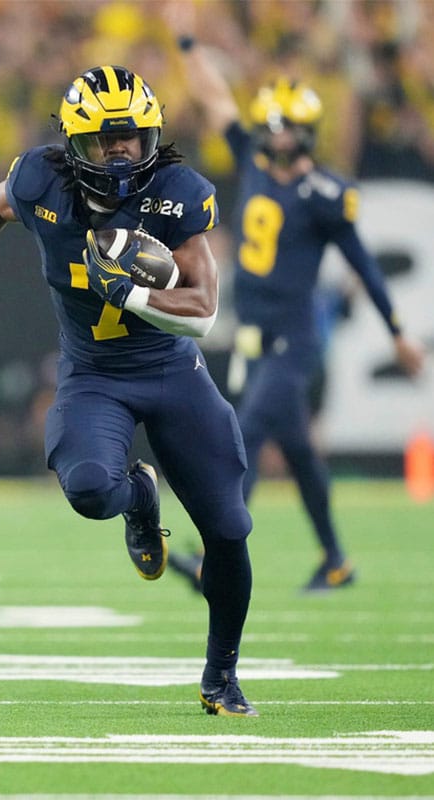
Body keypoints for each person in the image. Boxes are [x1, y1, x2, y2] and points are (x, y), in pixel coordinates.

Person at [0, 65, 258, 716]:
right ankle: (138, 499)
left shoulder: (177, 192)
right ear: (75, 143)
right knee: (91, 489)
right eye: (103, 138)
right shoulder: (40, 179)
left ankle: (221, 675)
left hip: (169, 368)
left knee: (230, 528)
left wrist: (128, 290)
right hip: (94, 374)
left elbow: (205, 309)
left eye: (130, 135)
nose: (120, 149)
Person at [168, 36, 425, 594]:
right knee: (302, 454)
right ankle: (336, 561)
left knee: (247, 431)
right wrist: (190, 46)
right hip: (254, 338)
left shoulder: (326, 192)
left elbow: (365, 265)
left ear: (307, 130)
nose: (277, 134)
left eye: (287, 126)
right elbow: (218, 102)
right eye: (273, 125)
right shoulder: (253, 162)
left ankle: (218, 557)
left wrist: (399, 333)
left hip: (295, 338)